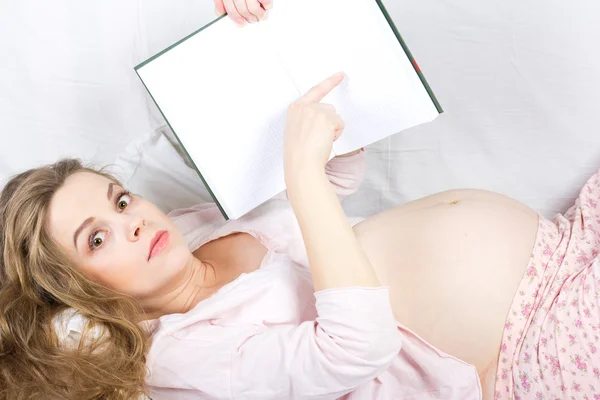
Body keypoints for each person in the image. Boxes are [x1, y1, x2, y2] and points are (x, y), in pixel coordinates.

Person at [1, 20, 599, 400]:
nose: (131, 220)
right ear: (76, 299)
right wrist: (302, 173)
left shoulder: (189, 231)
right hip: (533, 347)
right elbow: (359, 348)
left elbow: (325, 196)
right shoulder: (187, 357)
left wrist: (262, 41)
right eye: (97, 240)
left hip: (562, 243)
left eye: (120, 199)